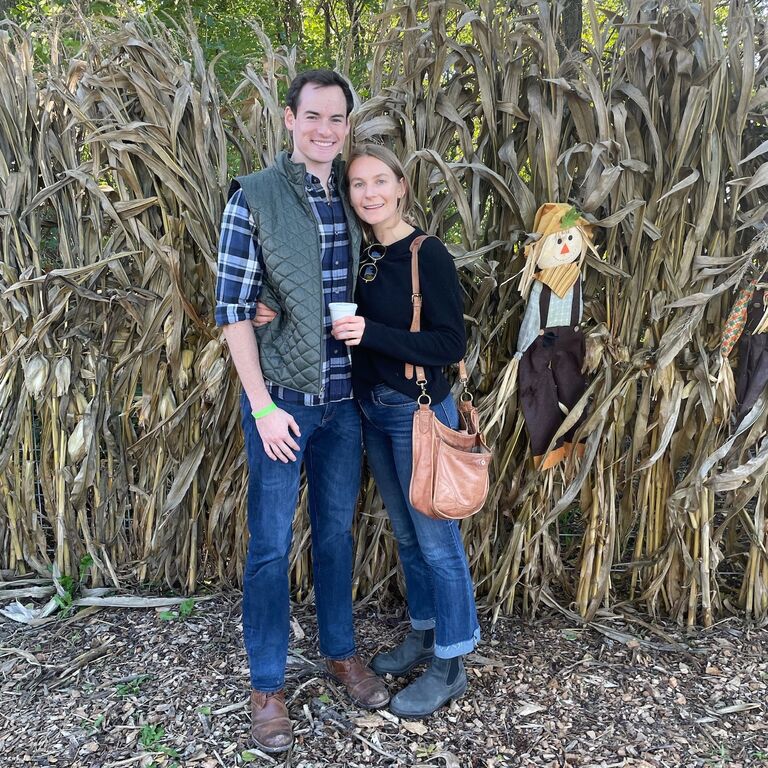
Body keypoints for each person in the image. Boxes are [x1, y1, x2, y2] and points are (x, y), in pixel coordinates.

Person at [214, 71, 389, 754]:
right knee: (268, 546)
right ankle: (266, 687)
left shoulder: (352, 193)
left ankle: (340, 652)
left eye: (337, 118)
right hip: (282, 404)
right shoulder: (253, 196)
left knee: (337, 535)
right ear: (288, 118)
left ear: (348, 124)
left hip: (344, 402)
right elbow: (234, 311)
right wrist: (260, 409)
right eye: (312, 116)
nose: (325, 129)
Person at [332, 144, 480, 717]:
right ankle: (424, 633)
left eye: (378, 182)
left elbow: (449, 344)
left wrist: (370, 332)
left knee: (439, 543)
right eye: (357, 186)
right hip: (373, 411)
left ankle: (452, 660)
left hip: (418, 412)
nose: (368, 194)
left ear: (400, 187)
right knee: (407, 534)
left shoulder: (427, 255)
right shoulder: (367, 258)